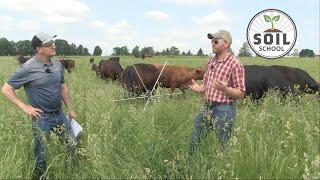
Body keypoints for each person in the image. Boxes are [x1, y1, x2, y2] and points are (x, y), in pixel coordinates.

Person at [1, 32, 77, 179]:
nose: (53, 46)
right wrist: (25, 107)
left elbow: (63, 87)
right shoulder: (27, 68)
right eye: (48, 45)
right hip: (42, 118)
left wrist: (70, 109)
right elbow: (6, 89)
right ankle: (40, 177)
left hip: (60, 114)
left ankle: (71, 174)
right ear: (38, 49)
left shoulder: (57, 65)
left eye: (53, 43)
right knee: (42, 154)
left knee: (71, 145)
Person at [188, 30, 246, 152]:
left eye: (215, 41)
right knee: (194, 139)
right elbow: (206, 85)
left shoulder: (235, 64)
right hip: (207, 107)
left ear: (226, 44)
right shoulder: (211, 61)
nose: (212, 44)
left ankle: (223, 167)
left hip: (224, 109)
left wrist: (224, 89)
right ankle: (190, 165)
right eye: (211, 41)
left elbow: (241, 93)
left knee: (223, 145)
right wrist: (198, 88)